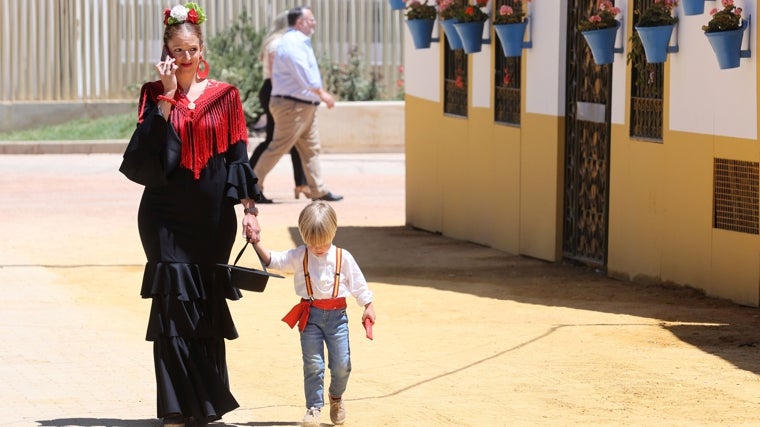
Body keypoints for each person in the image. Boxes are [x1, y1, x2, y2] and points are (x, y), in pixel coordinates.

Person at [123, 3, 262, 426]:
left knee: (205, 309)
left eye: (191, 50)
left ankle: (205, 405)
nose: (184, 58)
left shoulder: (226, 97)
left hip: (213, 219)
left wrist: (250, 210)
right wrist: (166, 97)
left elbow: (238, 157)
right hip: (163, 216)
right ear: (166, 51)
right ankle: (176, 407)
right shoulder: (153, 94)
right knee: (170, 307)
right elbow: (147, 158)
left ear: (202, 48)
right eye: (176, 51)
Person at [252, 201, 376, 426]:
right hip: (310, 318)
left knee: (342, 364)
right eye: (311, 242)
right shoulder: (300, 255)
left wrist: (368, 305)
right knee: (313, 364)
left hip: (338, 319)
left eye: (323, 242)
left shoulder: (342, 257)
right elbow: (274, 260)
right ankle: (313, 408)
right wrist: (256, 242)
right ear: (303, 235)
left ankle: (336, 397)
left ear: (334, 231)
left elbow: (358, 283)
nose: (318, 247)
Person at [253, 5, 344, 202]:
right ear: (300, 22)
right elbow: (302, 71)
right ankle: (253, 188)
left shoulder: (298, 41)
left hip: (303, 105)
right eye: (311, 20)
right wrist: (321, 93)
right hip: (292, 106)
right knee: (277, 147)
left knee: (310, 149)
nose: (314, 23)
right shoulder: (292, 43)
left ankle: (318, 189)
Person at [249, 11, 311, 203]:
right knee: (274, 141)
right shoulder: (277, 43)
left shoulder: (277, 41)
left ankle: (302, 184)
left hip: (274, 90)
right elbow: (277, 72)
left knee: (292, 138)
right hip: (275, 91)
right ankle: (248, 182)